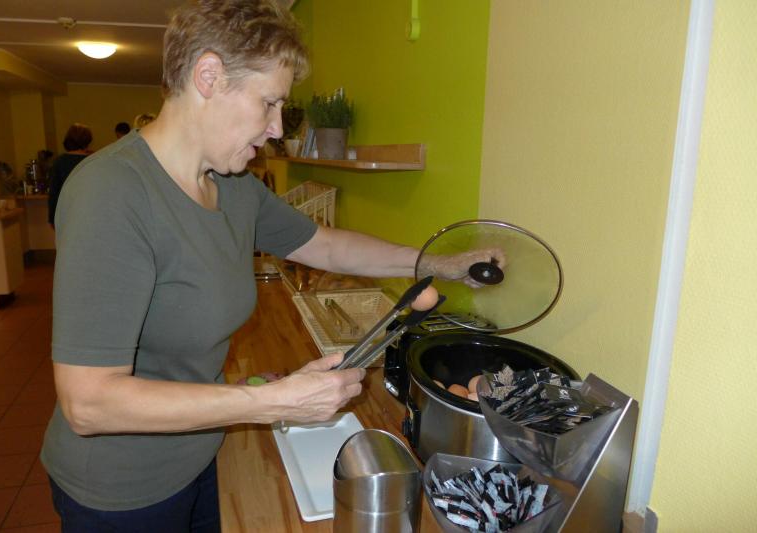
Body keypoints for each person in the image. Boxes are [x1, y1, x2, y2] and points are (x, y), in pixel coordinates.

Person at [40, 1, 503, 531]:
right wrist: (269, 401)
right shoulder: (111, 193)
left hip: (199, 454)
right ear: (208, 76)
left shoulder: (232, 185)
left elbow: (326, 246)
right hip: (122, 493)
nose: (276, 128)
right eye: (269, 103)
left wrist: (438, 263)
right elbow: (89, 403)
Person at [47, 123, 93, 227]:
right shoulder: (93, 161)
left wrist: (52, 218)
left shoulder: (59, 162)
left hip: (66, 215)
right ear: (88, 140)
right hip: (88, 214)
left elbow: (54, 193)